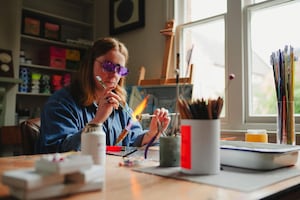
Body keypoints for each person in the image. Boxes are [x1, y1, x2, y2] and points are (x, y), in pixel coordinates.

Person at [36, 37, 171, 154]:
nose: (114, 74)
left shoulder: (121, 106)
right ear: (90, 64)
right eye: (108, 65)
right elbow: (58, 152)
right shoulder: (61, 103)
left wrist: (151, 134)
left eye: (119, 69)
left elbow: (131, 140)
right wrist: (97, 121)